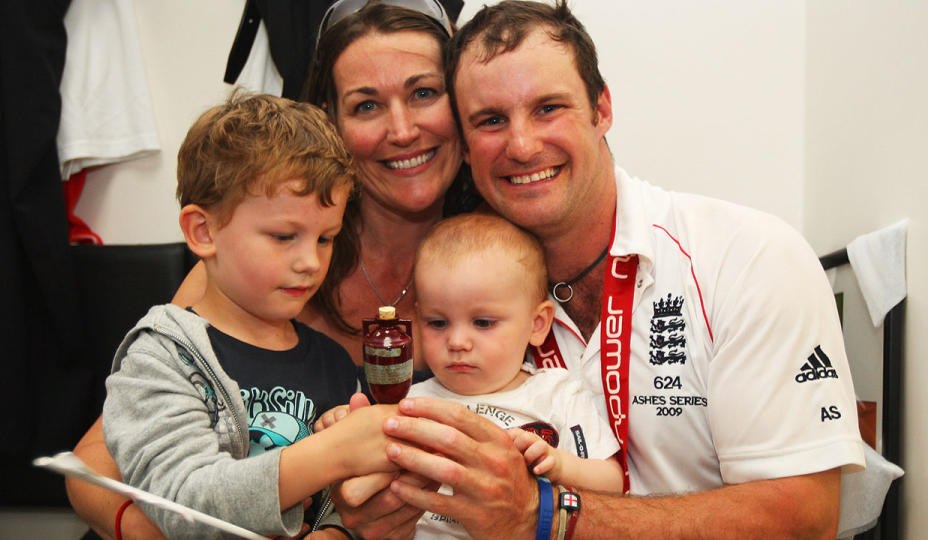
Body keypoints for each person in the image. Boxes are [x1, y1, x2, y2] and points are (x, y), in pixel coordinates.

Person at [332, 2, 866, 539]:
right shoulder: (462, 288)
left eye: (548, 108)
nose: (522, 145)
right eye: (491, 120)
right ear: (467, 148)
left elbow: (804, 516)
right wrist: (370, 510)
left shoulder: (747, 258)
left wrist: (543, 515)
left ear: (602, 108)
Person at [66, 1, 469, 537]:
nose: (401, 129)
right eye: (366, 105)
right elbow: (98, 459)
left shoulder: (502, 260)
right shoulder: (218, 300)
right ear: (332, 119)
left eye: (424, 93)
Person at [100, 92, 400, 539]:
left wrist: (338, 531)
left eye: (325, 238)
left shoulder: (334, 364)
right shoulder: (160, 358)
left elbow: (352, 507)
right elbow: (182, 503)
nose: (310, 262)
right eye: (283, 236)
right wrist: (333, 452)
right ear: (203, 232)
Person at [408, 213, 623, 538]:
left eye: (483, 323)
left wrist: (560, 465)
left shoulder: (557, 393)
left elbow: (613, 482)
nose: (457, 342)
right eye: (438, 323)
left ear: (537, 324)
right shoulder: (413, 403)